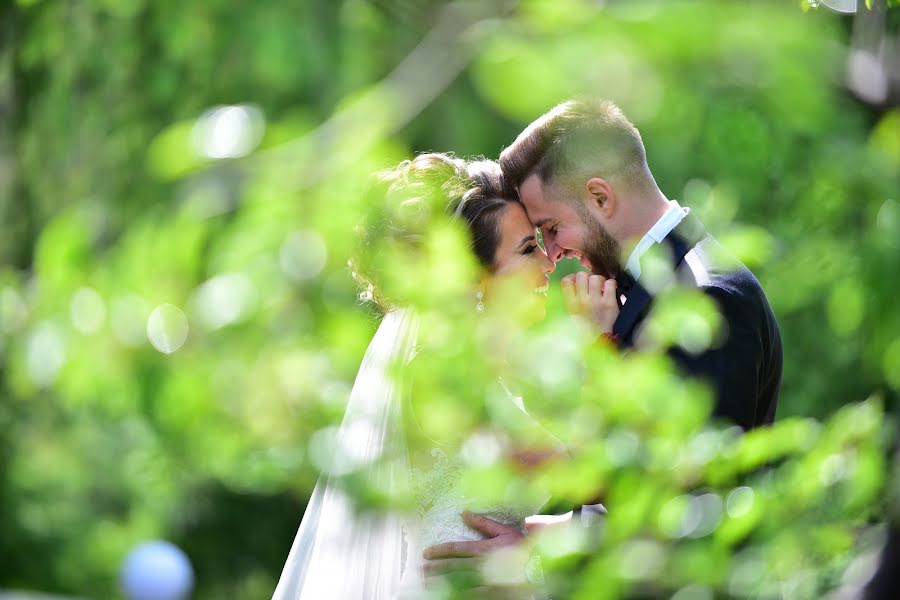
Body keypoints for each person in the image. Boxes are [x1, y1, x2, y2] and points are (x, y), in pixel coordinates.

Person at [423, 98, 783, 578]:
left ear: (600, 198)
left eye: (551, 229)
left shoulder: (706, 297)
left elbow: (696, 511)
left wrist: (533, 557)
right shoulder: (647, 289)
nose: (553, 255)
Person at [272, 153, 606, 599]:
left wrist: (534, 544)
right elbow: (594, 477)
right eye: (527, 249)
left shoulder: (473, 367)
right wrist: (601, 342)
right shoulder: (453, 376)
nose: (548, 264)